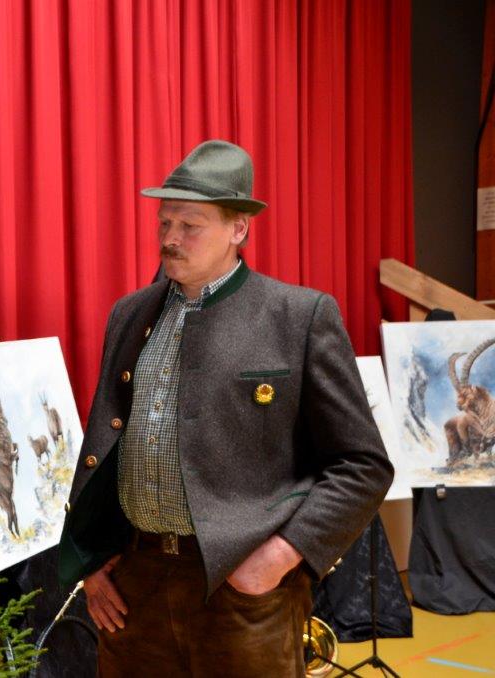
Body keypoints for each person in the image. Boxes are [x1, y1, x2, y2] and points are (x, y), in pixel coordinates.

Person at [57, 140, 393, 676]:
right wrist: (92, 560)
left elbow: (363, 465)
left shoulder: (298, 316)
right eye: (165, 222)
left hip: (242, 592)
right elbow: (105, 443)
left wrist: (280, 557)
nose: (170, 238)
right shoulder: (129, 314)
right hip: (133, 587)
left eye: (190, 225)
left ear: (239, 229)